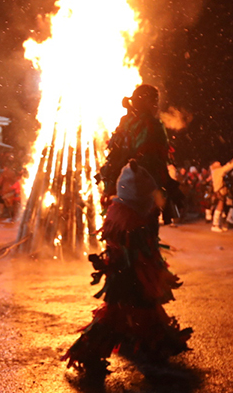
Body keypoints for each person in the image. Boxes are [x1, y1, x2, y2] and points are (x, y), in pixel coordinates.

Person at [64, 159, 192, 379]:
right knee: (119, 312)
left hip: (127, 274)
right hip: (128, 275)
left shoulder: (119, 210)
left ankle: (149, 345)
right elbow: (139, 249)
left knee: (138, 310)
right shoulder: (132, 218)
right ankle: (91, 352)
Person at [99, 84, 179, 218]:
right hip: (140, 194)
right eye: (155, 102)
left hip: (120, 194)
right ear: (148, 102)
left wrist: (111, 187)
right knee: (141, 234)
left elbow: (114, 160)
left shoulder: (125, 123)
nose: (157, 106)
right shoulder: (152, 125)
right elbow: (151, 163)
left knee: (123, 233)